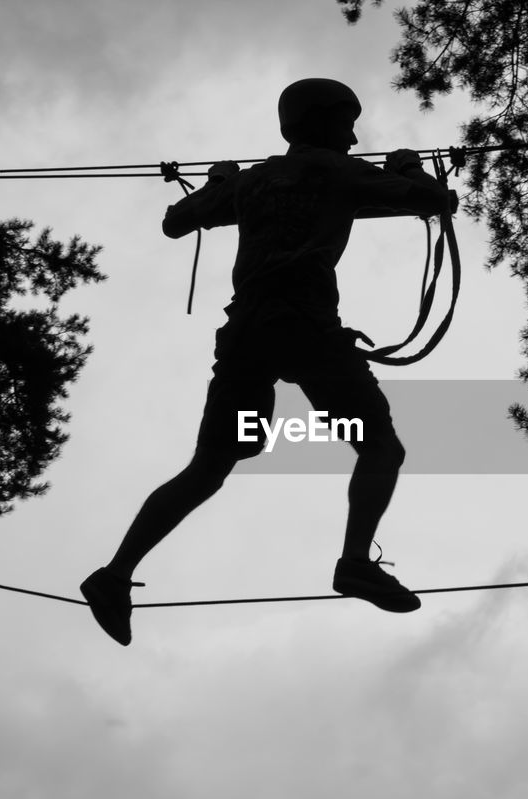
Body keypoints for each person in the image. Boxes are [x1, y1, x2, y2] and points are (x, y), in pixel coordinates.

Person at [80, 78, 457, 645]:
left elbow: (176, 221)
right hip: (306, 329)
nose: (355, 135)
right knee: (380, 445)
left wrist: (219, 183)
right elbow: (437, 203)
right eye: (347, 122)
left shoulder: (253, 181)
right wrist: (406, 169)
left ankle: (114, 575)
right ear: (323, 121)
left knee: (210, 466)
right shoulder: (341, 171)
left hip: (247, 335)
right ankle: (354, 561)